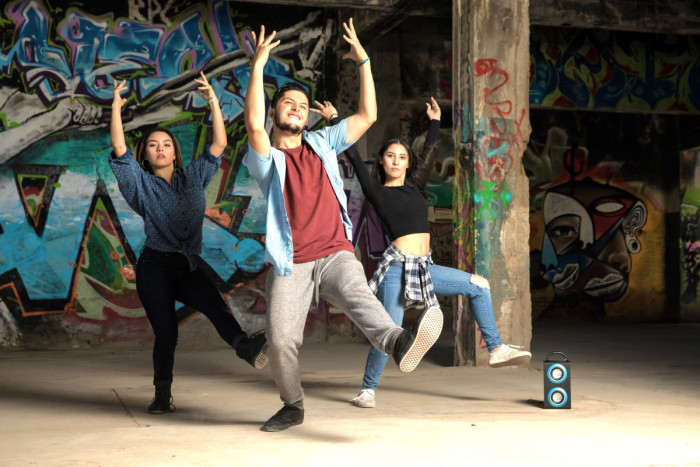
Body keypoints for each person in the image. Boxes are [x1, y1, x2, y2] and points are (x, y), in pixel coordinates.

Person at [242, 20, 443, 432]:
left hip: (335, 251)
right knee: (280, 341)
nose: (297, 108)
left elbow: (367, 114)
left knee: (358, 296)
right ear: (275, 114)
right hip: (292, 262)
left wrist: (364, 60)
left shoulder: (323, 141)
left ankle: (399, 342)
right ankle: (293, 404)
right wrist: (258, 66)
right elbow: (252, 126)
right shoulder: (266, 159)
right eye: (288, 104)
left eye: (302, 104)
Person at [314, 98, 533, 409]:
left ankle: (495, 348)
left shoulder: (416, 187)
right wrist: (335, 118)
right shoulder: (377, 192)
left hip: (423, 267)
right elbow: (350, 149)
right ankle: (368, 389)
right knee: (388, 327)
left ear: (407, 163)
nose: (395, 160)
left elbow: (429, 153)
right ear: (381, 161)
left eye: (401, 157)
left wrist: (434, 121)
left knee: (478, 285)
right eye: (390, 156)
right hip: (396, 268)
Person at [109, 72, 268, 415]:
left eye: (166, 143)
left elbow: (219, 145)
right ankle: (162, 395)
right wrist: (116, 108)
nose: (160, 148)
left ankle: (244, 347)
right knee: (167, 334)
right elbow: (120, 150)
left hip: (188, 265)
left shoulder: (193, 176)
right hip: (154, 267)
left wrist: (213, 101)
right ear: (146, 156)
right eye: (153, 145)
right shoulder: (139, 185)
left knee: (215, 304)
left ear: (175, 152)